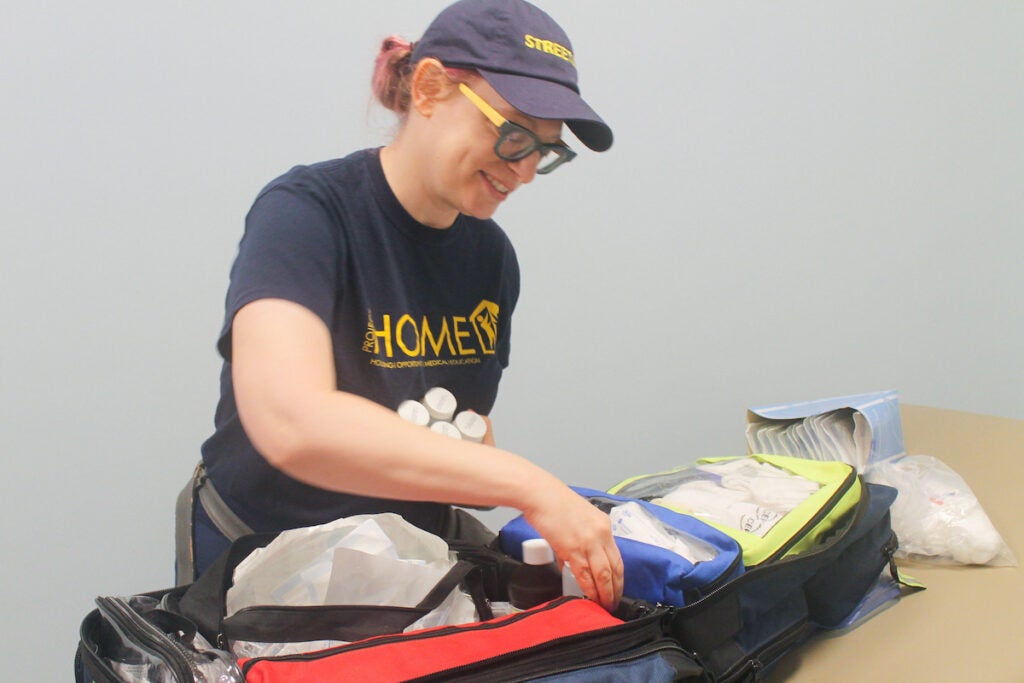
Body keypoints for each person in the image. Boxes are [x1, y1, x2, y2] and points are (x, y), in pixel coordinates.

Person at [176, 0, 623, 611]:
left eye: (545, 151)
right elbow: (291, 423)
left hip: (402, 562)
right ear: (430, 87)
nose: (522, 172)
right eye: (513, 134)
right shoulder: (304, 214)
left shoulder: (491, 258)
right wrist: (530, 485)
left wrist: (472, 456)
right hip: (263, 558)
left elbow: (444, 417)